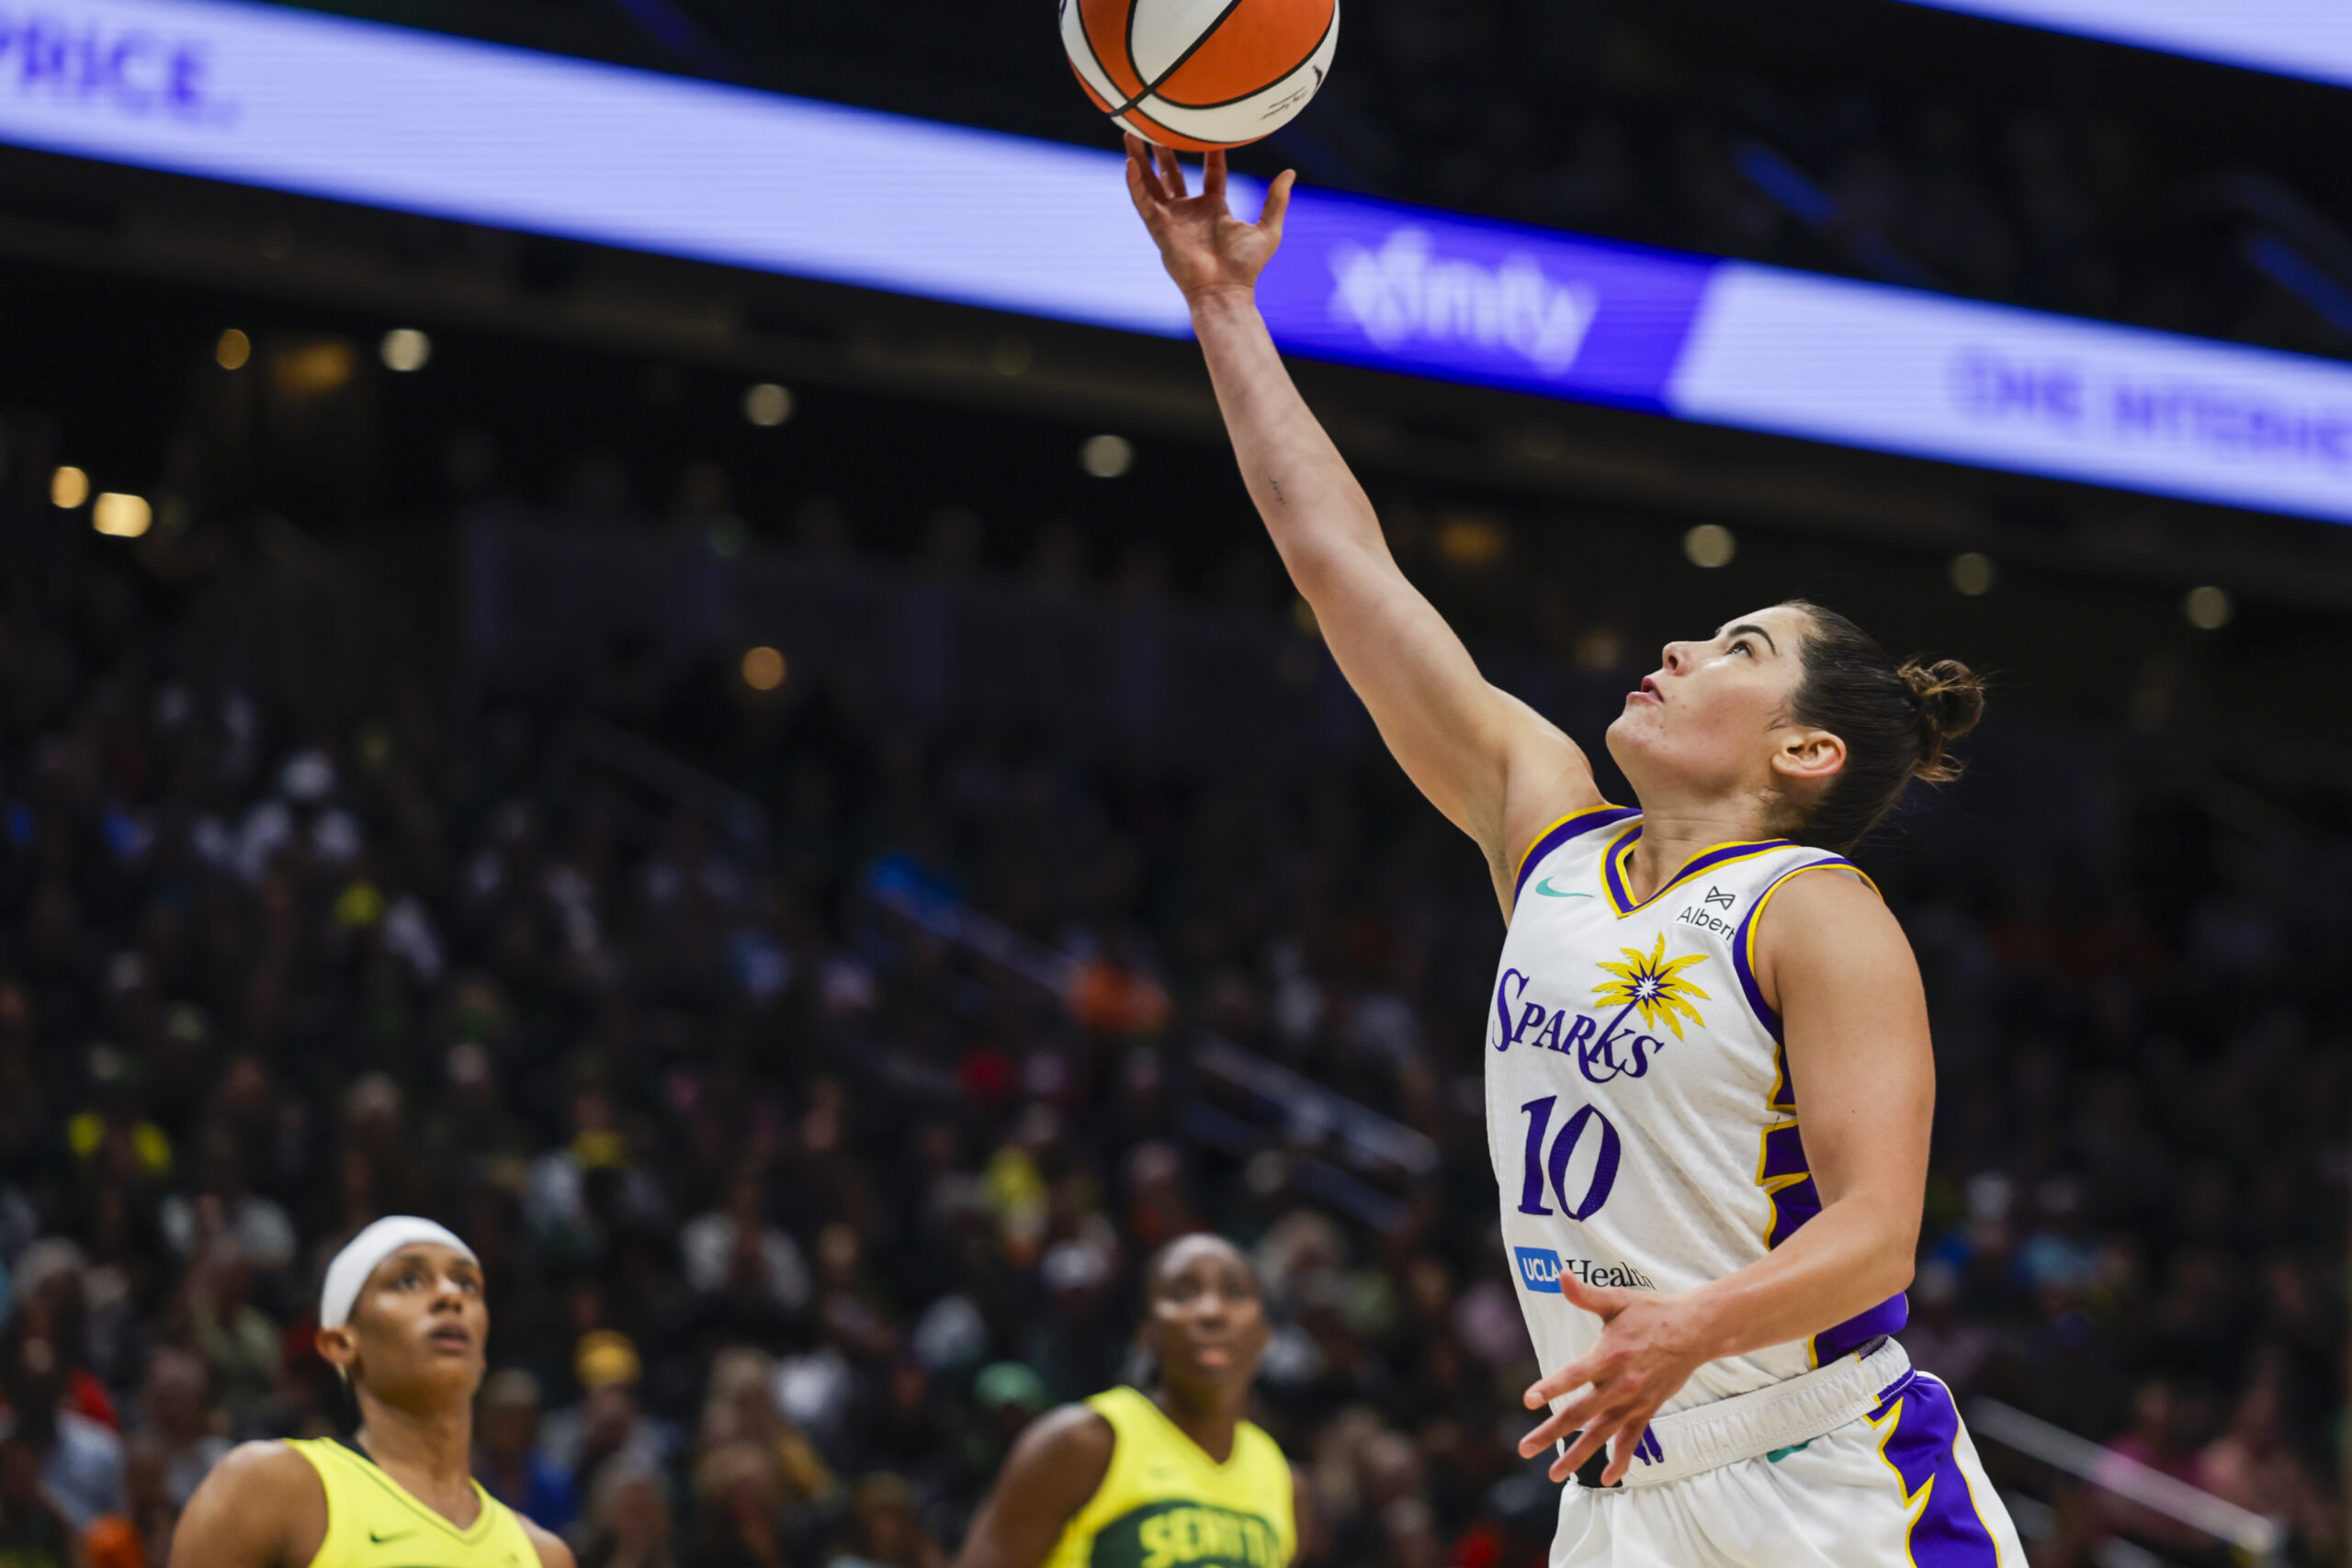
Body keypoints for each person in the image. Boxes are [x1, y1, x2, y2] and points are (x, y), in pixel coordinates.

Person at [1123, 137, 2024, 1567]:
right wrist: (1224, 308)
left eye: (1739, 647)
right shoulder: (1544, 829)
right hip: (1619, 1497)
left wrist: (1691, 1323)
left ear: (1807, 750)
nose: (1678, 643)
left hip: (1828, 1481)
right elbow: (1338, 561)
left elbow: (1877, 1235)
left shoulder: (1815, 911)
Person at [166, 1216, 574, 1567]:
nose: (451, 1297)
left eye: (467, 1285)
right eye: (409, 1280)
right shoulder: (271, 1486)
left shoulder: (543, 1555)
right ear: (341, 1343)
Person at [954, 1234, 1295, 1568]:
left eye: (1234, 1293)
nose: (1211, 1312)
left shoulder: (1286, 1484)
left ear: (1264, 1334)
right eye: (1183, 1293)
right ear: (1147, 1335)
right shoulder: (1080, 1444)